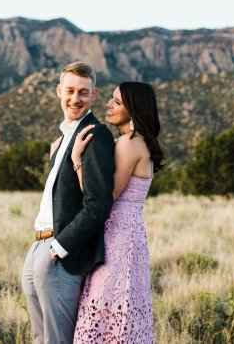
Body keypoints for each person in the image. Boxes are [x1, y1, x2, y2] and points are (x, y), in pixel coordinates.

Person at [20, 61, 116, 344]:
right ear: (58, 91)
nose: (75, 98)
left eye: (83, 92)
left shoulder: (95, 135)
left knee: (58, 339)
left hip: (60, 250)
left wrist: (60, 248)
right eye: (70, 91)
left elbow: (98, 204)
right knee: (40, 337)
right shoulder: (63, 137)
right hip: (38, 245)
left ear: (94, 94)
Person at [71, 81, 165, 343]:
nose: (109, 104)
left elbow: (103, 197)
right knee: (121, 302)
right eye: (111, 98)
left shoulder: (129, 143)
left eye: (118, 102)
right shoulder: (137, 142)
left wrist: (77, 161)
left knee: (105, 302)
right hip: (130, 234)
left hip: (118, 237)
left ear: (134, 111)